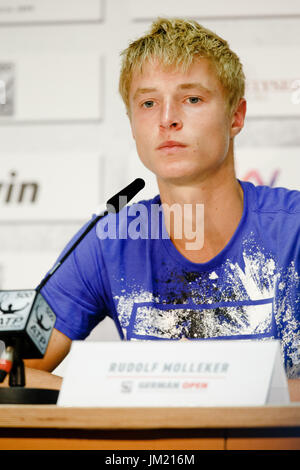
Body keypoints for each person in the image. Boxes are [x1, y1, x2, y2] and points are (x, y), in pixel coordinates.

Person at [3, 18, 299, 392]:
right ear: (131, 123)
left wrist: (209, 393)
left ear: (235, 115)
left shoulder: (294, 229)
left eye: (192, 99)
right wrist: (116, 395)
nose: (167, 119)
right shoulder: (112, 238)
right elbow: (8, 371)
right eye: (148, 103)